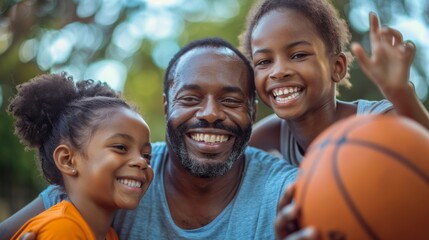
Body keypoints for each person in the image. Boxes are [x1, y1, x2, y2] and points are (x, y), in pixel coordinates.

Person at [0, 38, 298, 239]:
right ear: (167, 106)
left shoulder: (284, 192)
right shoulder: (103, 184)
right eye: (191, 98)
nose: (209, 114)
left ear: (252, 111)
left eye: (231, 101)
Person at [239, 0, 429, 238]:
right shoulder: (276, 132)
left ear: (337, 67)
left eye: (298, 55)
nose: (278, 71)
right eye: (264, 62)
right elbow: (228, 157)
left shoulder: (376, 121)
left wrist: (401, 92)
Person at [6, 73, 154, 240]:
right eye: (120, 147)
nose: (142, 162)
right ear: (67, 160)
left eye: (147, 155)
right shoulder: (62, 229)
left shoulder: (109, 236)